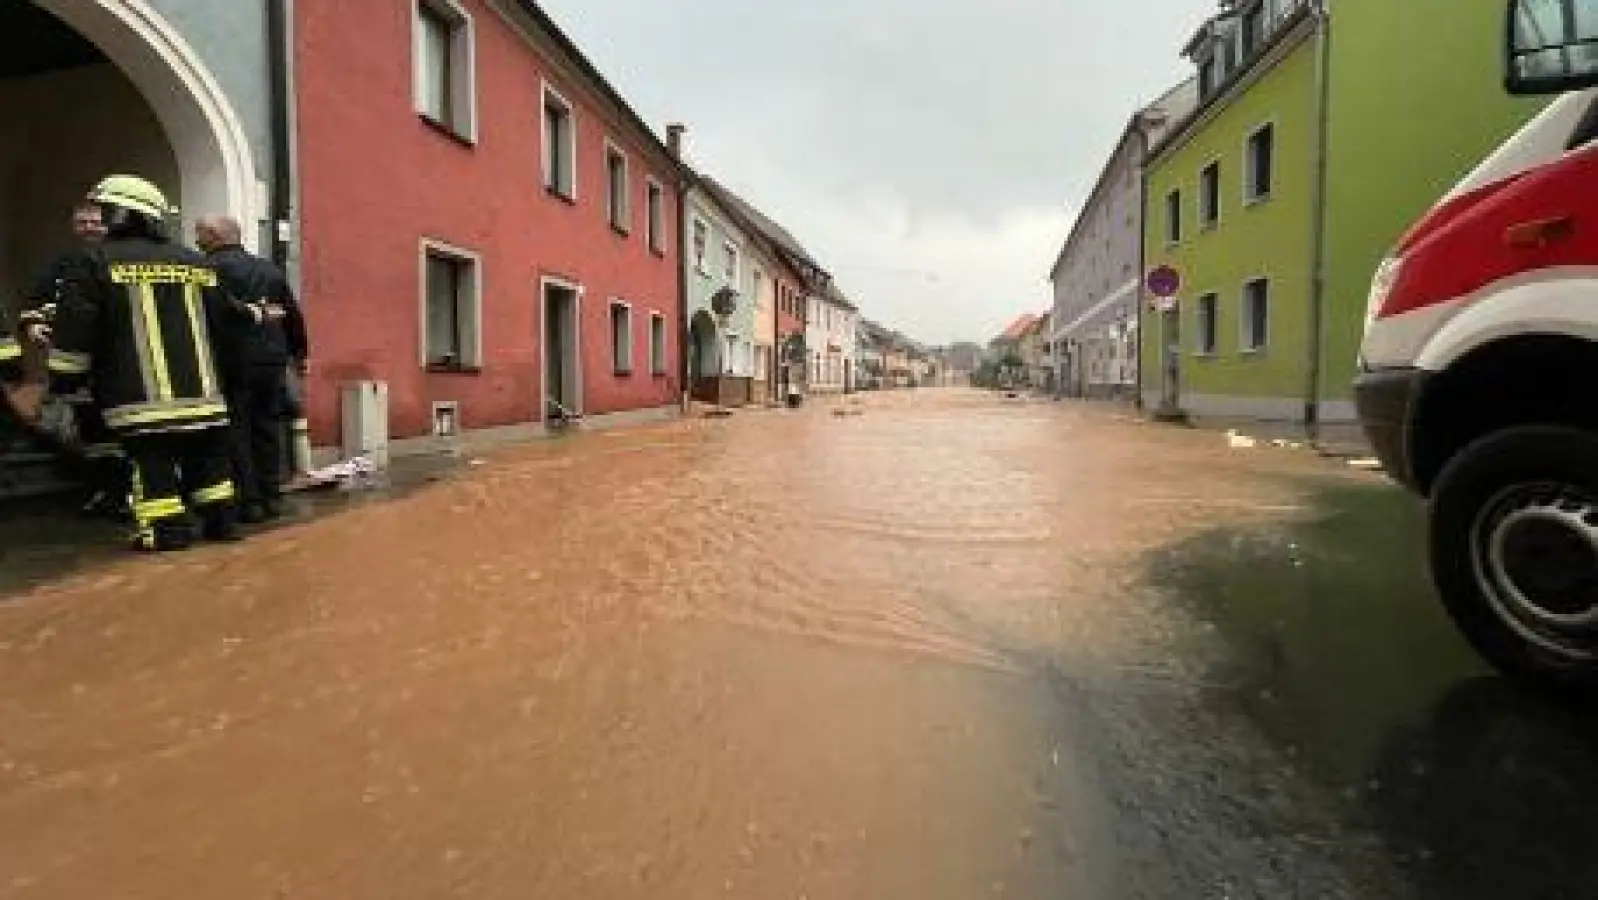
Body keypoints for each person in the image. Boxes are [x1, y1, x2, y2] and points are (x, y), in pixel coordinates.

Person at [44, 175, 275, 552]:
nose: (99, 221)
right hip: (203, 395)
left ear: (120, 214)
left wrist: (64, 381)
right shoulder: (194, 261)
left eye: (104, 212)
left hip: (138, 399)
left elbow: (76, 329)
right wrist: (255, 321)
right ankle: (221, 524)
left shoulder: (94, 261)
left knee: (154, 467)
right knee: (210, 466)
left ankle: (168, 531)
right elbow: (225, 316)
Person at [19, 201, 131, 520]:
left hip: (117, 365)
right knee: (90, 431)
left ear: (108, 226)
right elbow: (35, 303)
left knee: (122, 431)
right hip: (77, 366)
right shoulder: (61, 265)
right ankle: (107, 491)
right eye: (82, 223)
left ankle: (125, 492)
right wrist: (33, 325)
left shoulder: (119, 259)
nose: (89, 228)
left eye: (95, 222)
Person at [194, 214, 307, 523]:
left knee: (237, 430)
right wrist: (299, 354)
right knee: (267, 428)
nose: (196, 240)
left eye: (200, 234)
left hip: (231, 361)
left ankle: (249, 502)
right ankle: (272, 497)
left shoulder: (207, 270)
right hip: (271, 360)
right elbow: (292, 315)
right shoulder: (269, 268)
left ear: (216, 236)